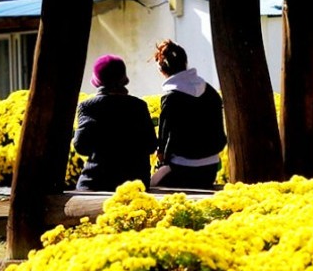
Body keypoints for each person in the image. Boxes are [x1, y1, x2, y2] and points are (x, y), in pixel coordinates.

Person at [73, 54, 157, 191]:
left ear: (98, 80)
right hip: (136, 184)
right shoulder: (139, 106)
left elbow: (81, 147)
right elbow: (151, 145)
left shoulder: (88, 107)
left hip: (96, 182)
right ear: (123, 79)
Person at [151, 39, 226, 190]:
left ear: (161, 69)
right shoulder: (210, 91)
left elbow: (165, 141)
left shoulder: (171, 97)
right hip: (210, 168)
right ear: (185, 62)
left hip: (182, 170)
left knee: (149, 186)